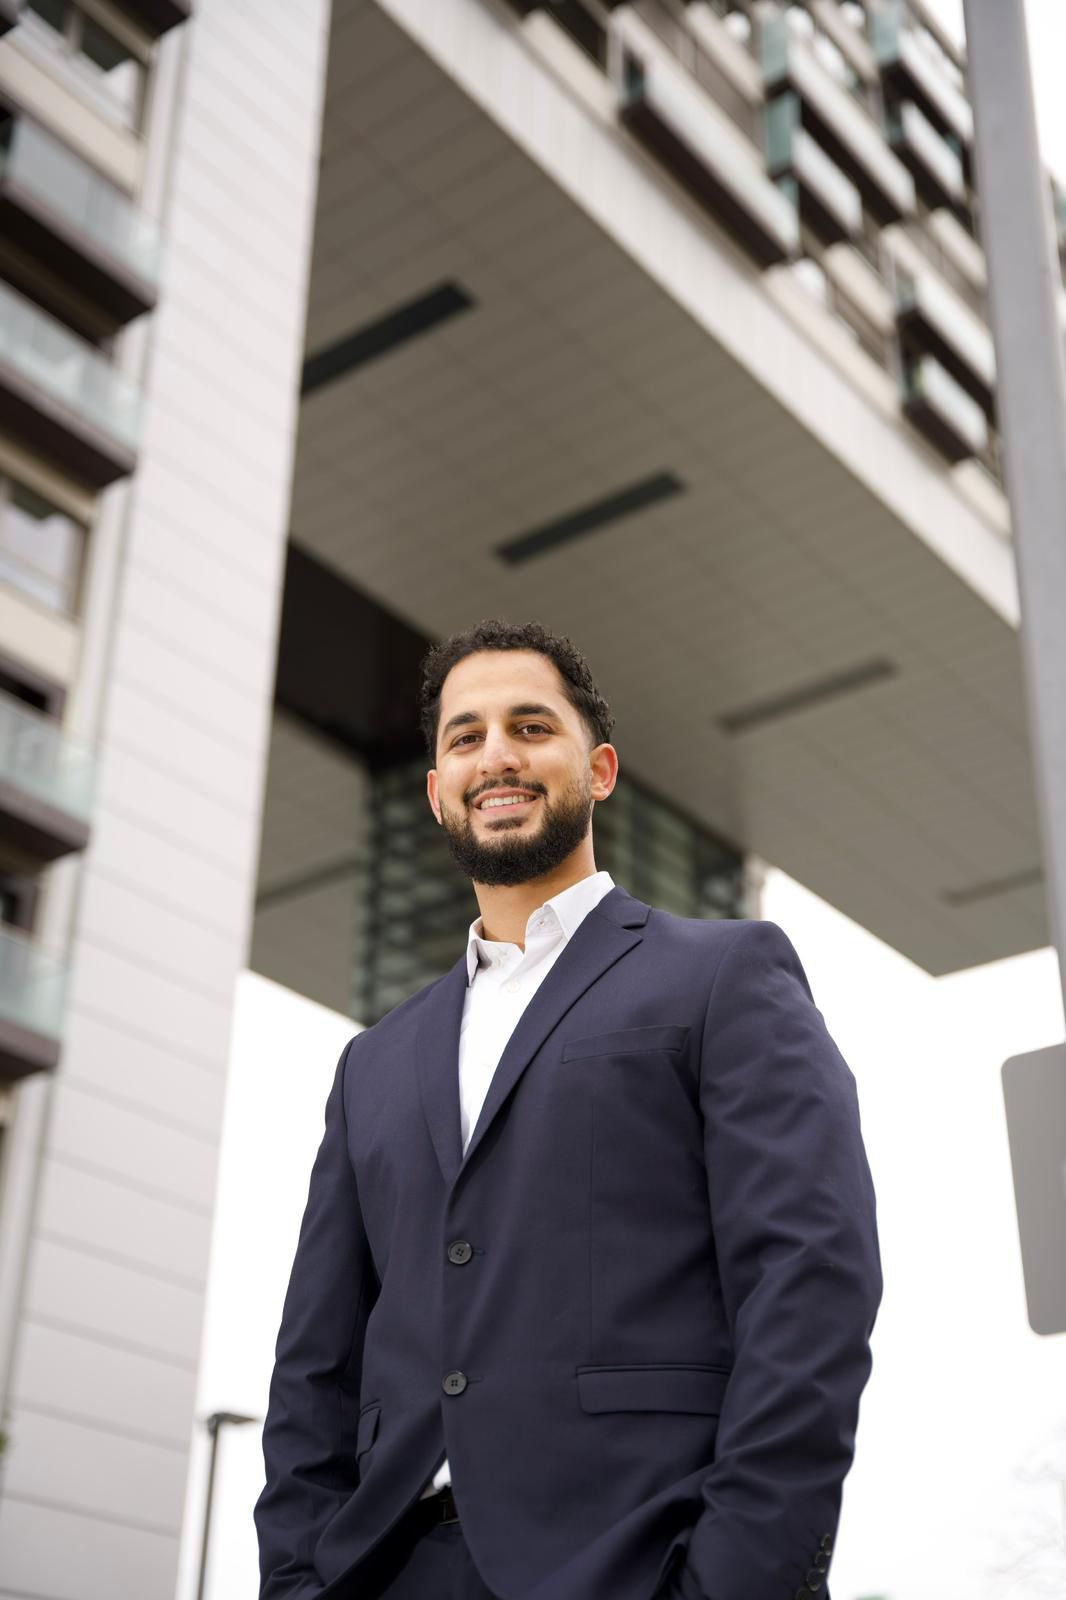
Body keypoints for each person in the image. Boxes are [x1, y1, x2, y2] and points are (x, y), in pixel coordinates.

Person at [255, 619, 881, 1600]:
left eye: (529, 725)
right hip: (386, 1570)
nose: (495, 753)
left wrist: (737, 1580)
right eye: (464, 737)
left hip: (636, 1560)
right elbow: (313, 1364)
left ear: (597, 769)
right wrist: (295, 1580)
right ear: (435, 791)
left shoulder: (723, 975)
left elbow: (808, 1281)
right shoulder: (371, 1065)